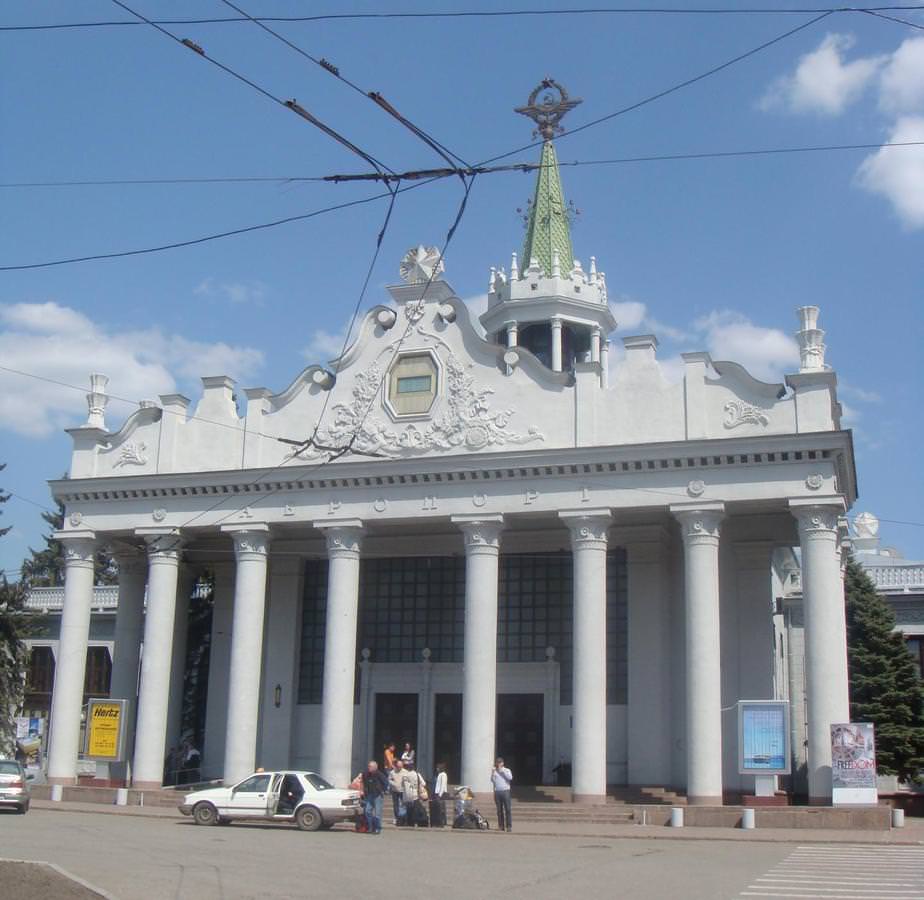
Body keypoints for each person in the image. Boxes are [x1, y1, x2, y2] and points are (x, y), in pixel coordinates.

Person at [361, 761, 389, 834]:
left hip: (378, 795)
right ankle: (370, 827)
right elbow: (364, 782)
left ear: (375, 767)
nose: (369, 768)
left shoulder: (379, 774)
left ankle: (377, 828)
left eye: (370, 766)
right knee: (367, 811)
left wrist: (384, 790)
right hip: (370, 794)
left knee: (377, 813)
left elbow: (386, 782)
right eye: (368, 766)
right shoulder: (365, 774)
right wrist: (364, 791)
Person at [491, 757, 513, 832]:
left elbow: (510, 778)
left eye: (500, 762)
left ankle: (509, 826)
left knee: (508, 809)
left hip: (505, 791)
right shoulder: (495, 771)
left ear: (502, 763)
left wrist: (502, 771)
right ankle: (501, 826)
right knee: (499, 810)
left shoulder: (507, 770)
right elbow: (493, 781)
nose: (498, 764)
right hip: (497, 791)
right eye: (497, 762)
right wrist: (493, 773)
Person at [430, 762, 448, 828]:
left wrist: (440, 794)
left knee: (441, 808)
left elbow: (442, 785)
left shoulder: (443, 775)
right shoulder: (439, 774)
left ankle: (442, 821)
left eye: (438, 768)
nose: (437, 769)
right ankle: (439, 821)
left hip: (441, 793)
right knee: (439, 808)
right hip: (437, 793)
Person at [388, 759, 405, 825]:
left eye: (401, 766)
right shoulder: (392, 772)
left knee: (403, 805)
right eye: (398, 766)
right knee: (395, 805)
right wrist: (393, 783)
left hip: (402, 790)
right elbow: (389, 780)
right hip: (394, 790)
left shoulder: (405, 772)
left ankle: (402, 818)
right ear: (396, 766)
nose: (399, 768)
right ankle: (396, 817)